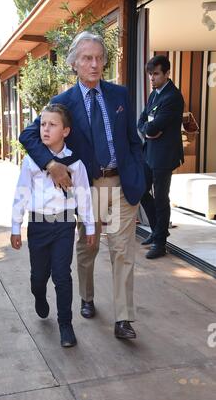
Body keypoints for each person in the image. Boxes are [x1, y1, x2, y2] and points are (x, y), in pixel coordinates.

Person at [20, 32, 145, 340]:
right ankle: (87, 297)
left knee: (122, 251)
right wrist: (51, 165)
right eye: (87, 58)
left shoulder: (120, 95)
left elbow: (133, 138)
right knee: (88, 247)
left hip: (120, 183)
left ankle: (123, 318)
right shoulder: (62, 103)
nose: (95, 64)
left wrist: (141, 173)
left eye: (99, 58)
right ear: (74, 63)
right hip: (87, 188)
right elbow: (29, 135)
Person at [11, 104, 95, 347]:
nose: (45, 129)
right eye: (43, 124)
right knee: (39, 276)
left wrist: (89, 226)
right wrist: (16, 226)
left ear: (66, 131)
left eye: (52, 125)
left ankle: (65, 325)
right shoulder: (30, 161)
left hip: (64, 224)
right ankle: (38, 294)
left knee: (62, 275)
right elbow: (21, 194)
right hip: (38, 224)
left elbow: (84, 197)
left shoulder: (74, 163)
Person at [138, 55, 184, 259]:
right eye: (150, 74)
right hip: (149, 152)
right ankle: (158, 230)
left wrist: (150, 128)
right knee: (140, 189)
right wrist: (148, 130)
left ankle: (160, 243)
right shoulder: (154, 94)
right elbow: (142, 122)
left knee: (161, 199)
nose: (151, 78)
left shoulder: (172, 97)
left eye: (156, 74)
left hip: (164, 156)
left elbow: (154, 126)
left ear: (167, 73)